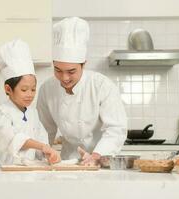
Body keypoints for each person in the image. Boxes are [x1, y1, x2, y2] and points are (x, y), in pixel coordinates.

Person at [37, 17, 127, 166]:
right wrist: (39, 156)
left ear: (83, 64)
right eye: (58, 70)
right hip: (67, 162)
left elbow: (116, 129)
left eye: (71, 71)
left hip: (100, 161)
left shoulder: (101, 86)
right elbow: (44, 130)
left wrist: (96, 156)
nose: (64, 78)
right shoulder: (47, 89)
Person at [0, 39, 61, 166]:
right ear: (8, 89)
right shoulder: (3, 113)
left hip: (27, 168)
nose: (30, 94)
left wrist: (47, 153)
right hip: (3, 168)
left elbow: (41, 139)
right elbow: (10, 140)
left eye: (33, 89)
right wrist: (42, 146)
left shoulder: (33, 113)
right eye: (24, 90)